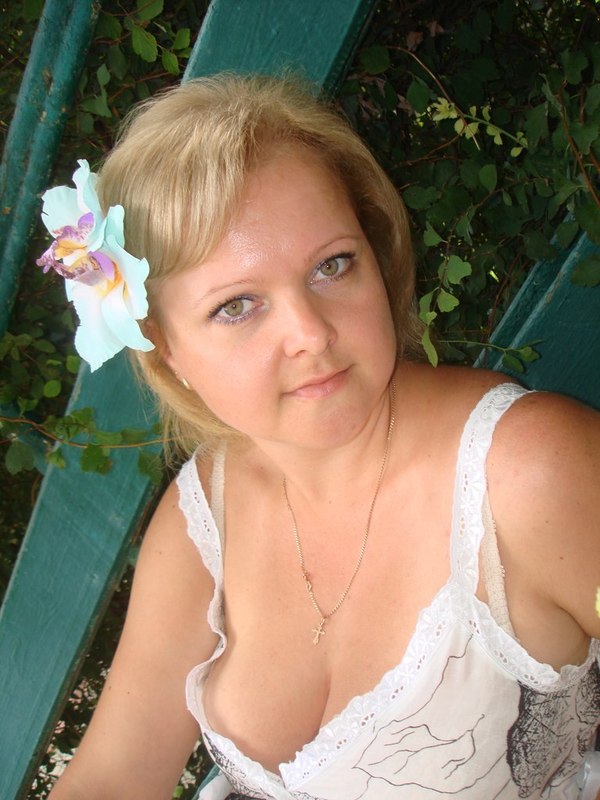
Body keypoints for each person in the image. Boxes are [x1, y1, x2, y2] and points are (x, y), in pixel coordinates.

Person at [42, 74, 600, 800]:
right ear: (167, 350)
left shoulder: (528, 474)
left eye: (332, 266)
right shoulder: (202, 519)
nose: (311, 333)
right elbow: (116, 776)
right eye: (237, 306)